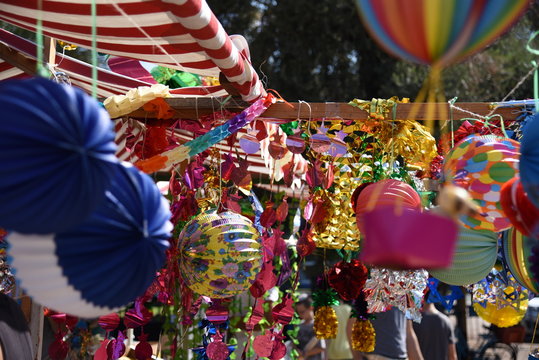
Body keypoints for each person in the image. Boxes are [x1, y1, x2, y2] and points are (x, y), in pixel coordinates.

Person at [349, 307, 424, 360]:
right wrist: (357, 357)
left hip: (402, 357)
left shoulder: (405, 293)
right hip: (376, 356)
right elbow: (351, 325)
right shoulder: (370, 289)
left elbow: (409, 332)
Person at [295, 296, 326, 360]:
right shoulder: (298, 325)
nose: (300, 315)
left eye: (302, 312)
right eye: (298, 312)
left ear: (311, 308)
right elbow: (295, 344)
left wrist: (304, 354)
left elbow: (322, 347)